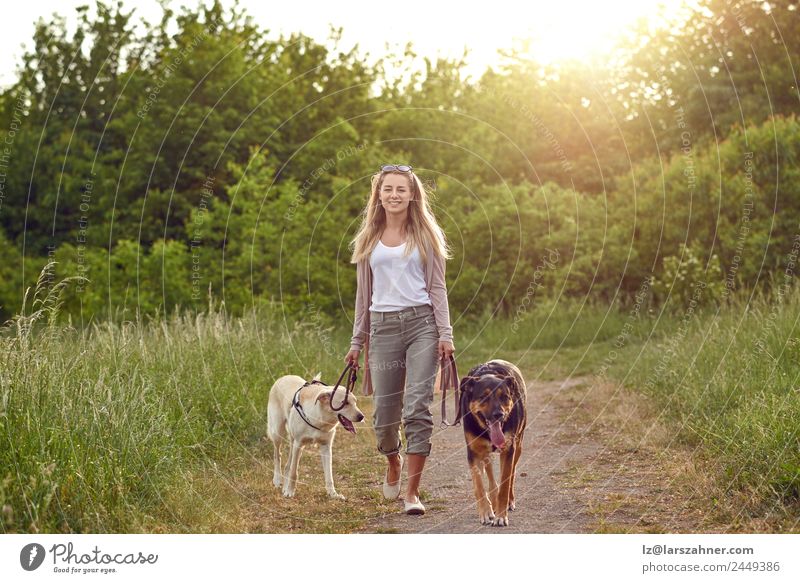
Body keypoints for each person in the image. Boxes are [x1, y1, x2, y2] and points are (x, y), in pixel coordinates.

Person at [345, 164, 455, 515]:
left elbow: (437, 287)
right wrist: (356, 342)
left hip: (423, 324)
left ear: (412, 195)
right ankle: (392, 459)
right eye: (388, 189)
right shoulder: (368, 239)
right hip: (383, 328)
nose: (394, 195)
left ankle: (412, 492)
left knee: (417, 407)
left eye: (401, 190)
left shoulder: (426, 235)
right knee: (385, 418)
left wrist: (445, 333)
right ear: (378, 194)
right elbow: (364, 296)